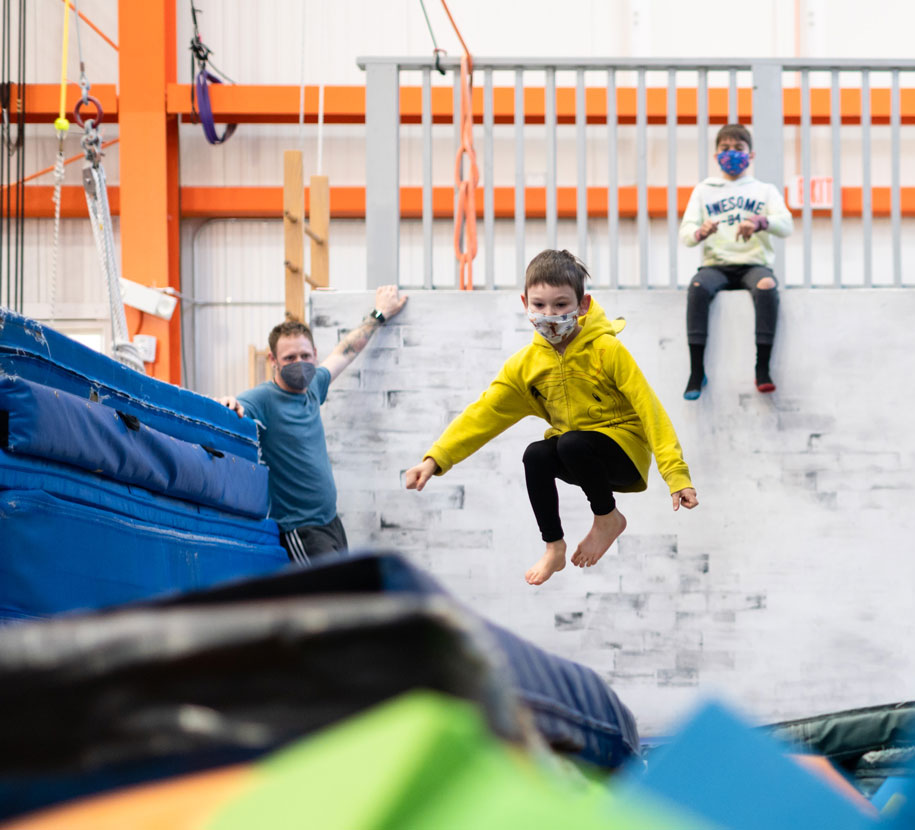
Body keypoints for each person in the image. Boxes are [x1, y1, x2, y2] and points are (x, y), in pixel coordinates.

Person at [404, 249, 698, 586]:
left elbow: (650, 410)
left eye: (561, 305)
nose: (550, 314)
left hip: (621, 455)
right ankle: (554, 546)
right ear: (525, 302)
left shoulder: (606, 350)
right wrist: (434, 459)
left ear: (582, 304)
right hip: (581, 459)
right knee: (536, 453)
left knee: (571, 442)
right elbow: (484, 413)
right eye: (540, 305)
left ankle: (607, 519)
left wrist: (676, 476)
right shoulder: (527, 366)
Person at [219, 285, 408, 562]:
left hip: (330, 521)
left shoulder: (314, 387)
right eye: (290, 358)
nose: (300, 363)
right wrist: (227, 404)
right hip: (300, 529)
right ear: (273, 360)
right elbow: (235, 407)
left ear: (315, 354)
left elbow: (347, 350)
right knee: (330, 599)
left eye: (305, 356)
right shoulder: (264, 399)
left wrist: (380, 314)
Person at [679, 123, 794, 400]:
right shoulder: (704, 190)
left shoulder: (764, 190)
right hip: (716, 265)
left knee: (766, 285)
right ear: (716, 154)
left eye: (739, 149)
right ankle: (696, 371)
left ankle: (762, 368)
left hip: (754, 263)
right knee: (697, 287)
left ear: (751, 155)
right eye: (725, 149)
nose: (732, 154)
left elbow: (786, 225)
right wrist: (700, 231)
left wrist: (761, 221)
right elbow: (686, 234)